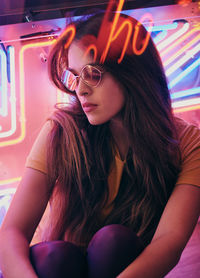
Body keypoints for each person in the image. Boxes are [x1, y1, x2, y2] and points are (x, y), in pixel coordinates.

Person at [0, 10, 200, 278]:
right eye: (74, 76)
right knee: (56, 257)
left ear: (133, 73)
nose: (80, 90)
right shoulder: (61, 131)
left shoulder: (186, 143)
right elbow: (12, 231)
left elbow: (169, 242)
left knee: (114, 242)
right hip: (57, 267)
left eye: (93, 73)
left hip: (126, 266)